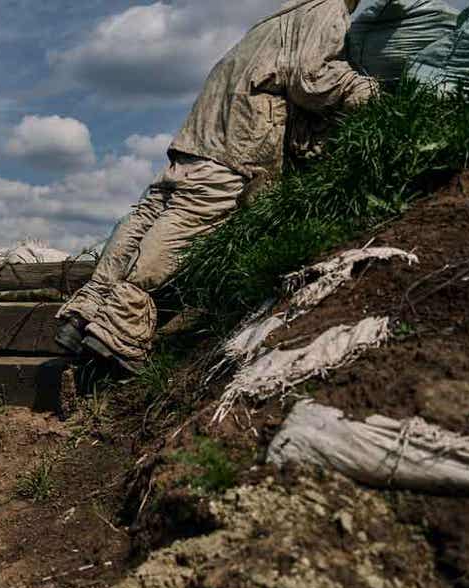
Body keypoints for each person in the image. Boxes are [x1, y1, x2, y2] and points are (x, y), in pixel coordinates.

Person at [56, 0, 378, 369]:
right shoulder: (328, 8)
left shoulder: (272, 21)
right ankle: (118, 328)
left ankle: (85, 310)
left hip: (197, 138)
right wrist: (366, 92)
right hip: (235, 147)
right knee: (184, 225)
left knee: (148, 215)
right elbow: (310, 77)